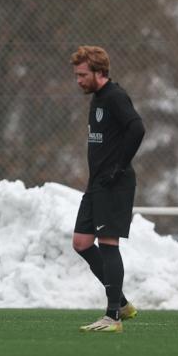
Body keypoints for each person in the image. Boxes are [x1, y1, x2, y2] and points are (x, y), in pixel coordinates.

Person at [71, 46, 144, 333]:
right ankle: (122, 303)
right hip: (98, 183)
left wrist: (118, 167)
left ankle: (113, 316)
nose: (78, 80)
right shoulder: (98, 98)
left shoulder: (115, 96)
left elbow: (137, 128)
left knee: (108, 243)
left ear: (99, 73)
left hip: (115, 183)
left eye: (82, 75)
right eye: (76, 75)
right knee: (81, 243)